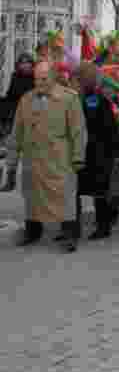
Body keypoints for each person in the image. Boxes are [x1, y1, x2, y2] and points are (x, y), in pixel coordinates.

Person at [2, 60, 84, 252]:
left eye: (44, 78)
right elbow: (17, 133)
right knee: (32, 197)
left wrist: (78, 157)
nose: (39, 82)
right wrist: (12, 163)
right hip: (33, 159)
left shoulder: (69, 99)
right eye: (36, 79)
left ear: (54, 77)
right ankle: (32, 231)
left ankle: (70, 235)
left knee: (65, 197)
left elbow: (78, 131)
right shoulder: (26, 100)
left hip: (59, 159)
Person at [75, 62, 119, 241]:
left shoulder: (93, 98)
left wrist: (114, 152)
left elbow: (107, 127)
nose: (75, 81)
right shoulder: (87, 97)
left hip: (98, 151)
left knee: (100, 190)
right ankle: (103, 222)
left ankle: (104, 226)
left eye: (78, 78)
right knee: (96, 189)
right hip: (94, 150)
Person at [1, 53, 36, 191]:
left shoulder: (36, 78)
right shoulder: (15, 77)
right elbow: (10, 96)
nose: (25, 65)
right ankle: (10, 180)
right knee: (12, 148)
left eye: (28, 62)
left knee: (31, 152)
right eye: (22, 62)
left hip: (34, 117)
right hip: (17, 116)